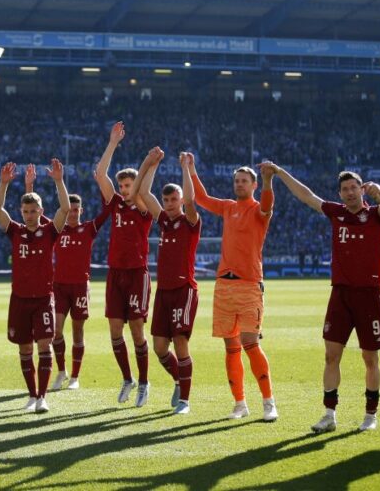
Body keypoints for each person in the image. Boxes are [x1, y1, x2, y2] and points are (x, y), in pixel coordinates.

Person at [263, 164, 380, 432]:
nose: (350, 192)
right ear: (340, 194)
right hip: (340, 295)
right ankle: (329, 415)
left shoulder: (377, 214)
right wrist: (280, 173)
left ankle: (370, 415)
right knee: (331, 357)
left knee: (370, 359)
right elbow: (306, 195)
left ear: (362, 188)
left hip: (369, 296)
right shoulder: (337, 213)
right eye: (345, 189)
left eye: (354, 187)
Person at [186, 153, 278, 421]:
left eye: (244, 181)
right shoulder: (228, 206)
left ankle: (268, 401)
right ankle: (240, 404)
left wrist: (267, 180)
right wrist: (191, 169)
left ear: (252, 185)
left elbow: (268, 204)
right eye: (236, 180)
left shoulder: (259, 209)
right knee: (230, 348)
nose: (239, 184)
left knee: (250, 342)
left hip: (249, 284)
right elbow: (201, 199)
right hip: (224, 285)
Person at [0, 160, 70, 412]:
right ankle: (32, 395)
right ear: (22, 212)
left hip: (43, 299)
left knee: (44, 345)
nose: (29, 215)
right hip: (20, 299)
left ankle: (43, 397)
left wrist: (58, 180)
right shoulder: (15, 231)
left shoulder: (50, 231)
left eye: (33, 211)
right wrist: (3, 184)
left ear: (40, 210)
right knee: (25, 348)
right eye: (25, 212)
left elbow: (66, 208)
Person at [24, 164, 109, 390]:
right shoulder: (56, 229)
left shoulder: (89, 229)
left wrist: (102, 185)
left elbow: (107, 211)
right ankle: (61, 371)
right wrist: (29, 185)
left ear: (81, 211)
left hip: (80, 286)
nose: (71, 213)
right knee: (56, 331)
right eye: (68, 210)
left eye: (75, 210)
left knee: (78, 331)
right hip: (59, 287)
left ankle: (75, 377)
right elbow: (35, 217)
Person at [94, 121, 153, 407]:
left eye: (128, 185)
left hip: (137, 274)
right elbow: (99, 174)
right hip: (115, 274)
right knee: (115, 331)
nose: (124, 189)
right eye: (122, 185)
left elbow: (142, 190)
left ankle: (144, 383)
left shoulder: (144, 208)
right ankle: (128, 379)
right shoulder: (115, 203)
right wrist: (113, 143)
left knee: (137, 331)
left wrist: (145, 169)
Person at [137, 148, 201, 415]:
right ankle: (178, 379)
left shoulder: (190, 221)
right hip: (163, 292)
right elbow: (143, 194)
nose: (170, 203)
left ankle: (185, 401)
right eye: (167, 200)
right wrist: (151, 164)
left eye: (174, 199)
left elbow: (191, 203)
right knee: (160, 347)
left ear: (181, 199)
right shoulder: (163, 222)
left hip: (184, 290)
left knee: (181, 342)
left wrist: (186, 167)